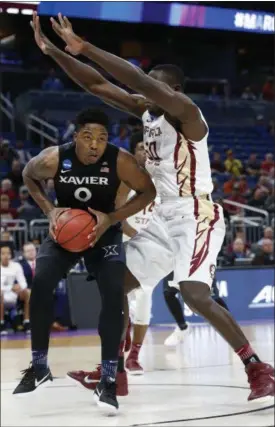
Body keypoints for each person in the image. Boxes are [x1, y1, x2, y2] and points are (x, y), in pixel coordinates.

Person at [31, 12, 274, 402]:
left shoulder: (190, 117)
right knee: (117, 288)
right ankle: (115, 373)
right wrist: (54, 52)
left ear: (174, 91)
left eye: (156, 90)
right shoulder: (149, 113)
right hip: (163, 216)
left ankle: (257, 367)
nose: (146, 96)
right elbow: (95, 83)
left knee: (196, 294)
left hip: (197, 215)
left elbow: (136, 79)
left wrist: (86, 46)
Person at [12, 108, 156, 415]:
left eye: (102, 139)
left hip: (104, 232)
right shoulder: (54, 158)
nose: (95, 145)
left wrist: (112, 219)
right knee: (41, 282)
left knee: (114, 292)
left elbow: (148, 191)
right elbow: (28, 175)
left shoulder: (120, 161)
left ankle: (108, 378)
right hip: (66, 231)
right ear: (76, 136)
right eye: (88, 137)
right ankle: (39, 367)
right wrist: (50, 210)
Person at [164, 272, 230, 346]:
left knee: (212, 296)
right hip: (176, 264)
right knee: (168, 292)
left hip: (200, 263)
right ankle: (183, 327)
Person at [1, 245, 30, 335]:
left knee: (27, 292)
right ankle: (1, 324)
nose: (6, 256)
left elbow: (23, 282)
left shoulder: (16, 266)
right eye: (3, 253)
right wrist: (10, 287)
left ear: (11, 255)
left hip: (15, 295)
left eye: (8, 253)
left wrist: (20, 288)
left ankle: (26, 322)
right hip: (2, 295)